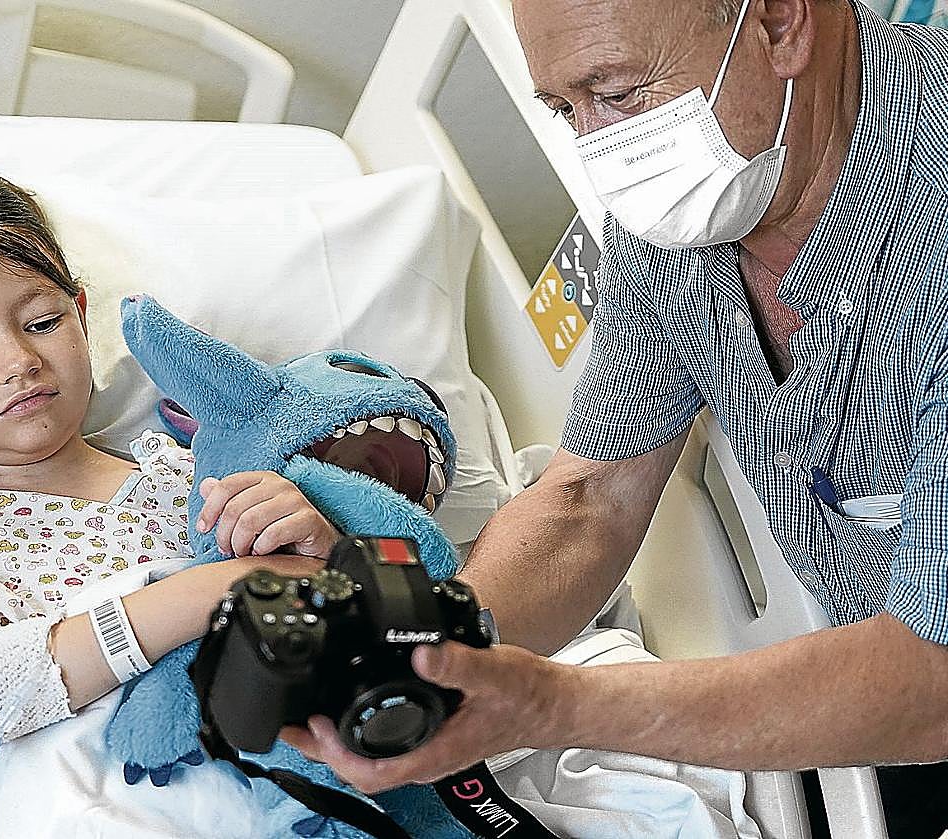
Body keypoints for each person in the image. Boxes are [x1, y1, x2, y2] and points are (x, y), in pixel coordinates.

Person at [282, 0, 948, 835]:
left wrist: (550, 703)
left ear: (781, 23)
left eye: (621, 92)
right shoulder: (694, 191)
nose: (601, 152)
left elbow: (931, 680)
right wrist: (426, 651)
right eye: (565, 109)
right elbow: (590, 500)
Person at [0, 169, 337, 836]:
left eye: (43, 321)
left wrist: (316, 543)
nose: (19, 359)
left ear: (81, 318)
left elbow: (337, 612)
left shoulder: (194, 478)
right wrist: (216, 589)